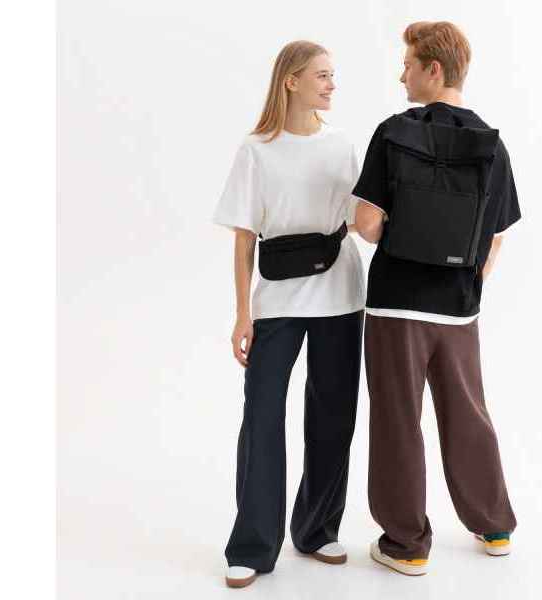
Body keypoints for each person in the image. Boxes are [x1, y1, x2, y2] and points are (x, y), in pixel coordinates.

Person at [353, 21, 521, 576]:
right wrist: (468, 283)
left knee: (398, 419)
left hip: (395, 304)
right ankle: (494, 527)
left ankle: (406, 545)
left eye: (407, 64)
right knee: (468, 413)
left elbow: (368, 225)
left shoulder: (393, 132)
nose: (401, 75)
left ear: (433, 69)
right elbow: (496, 235)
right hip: (457, 308)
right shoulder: (491, 145)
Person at [212, 40, 366, 588]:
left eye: (333, 74)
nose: (331, 84)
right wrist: (242, 314)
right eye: (321, 75)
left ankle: (317, 529)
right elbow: (243, 237)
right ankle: (253, 545)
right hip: (277, 300)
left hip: (341, 295)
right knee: (261, 416)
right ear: (291, 81)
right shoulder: (256, 149)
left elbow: (362, 221)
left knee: (333, 415)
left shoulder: (341, 145)